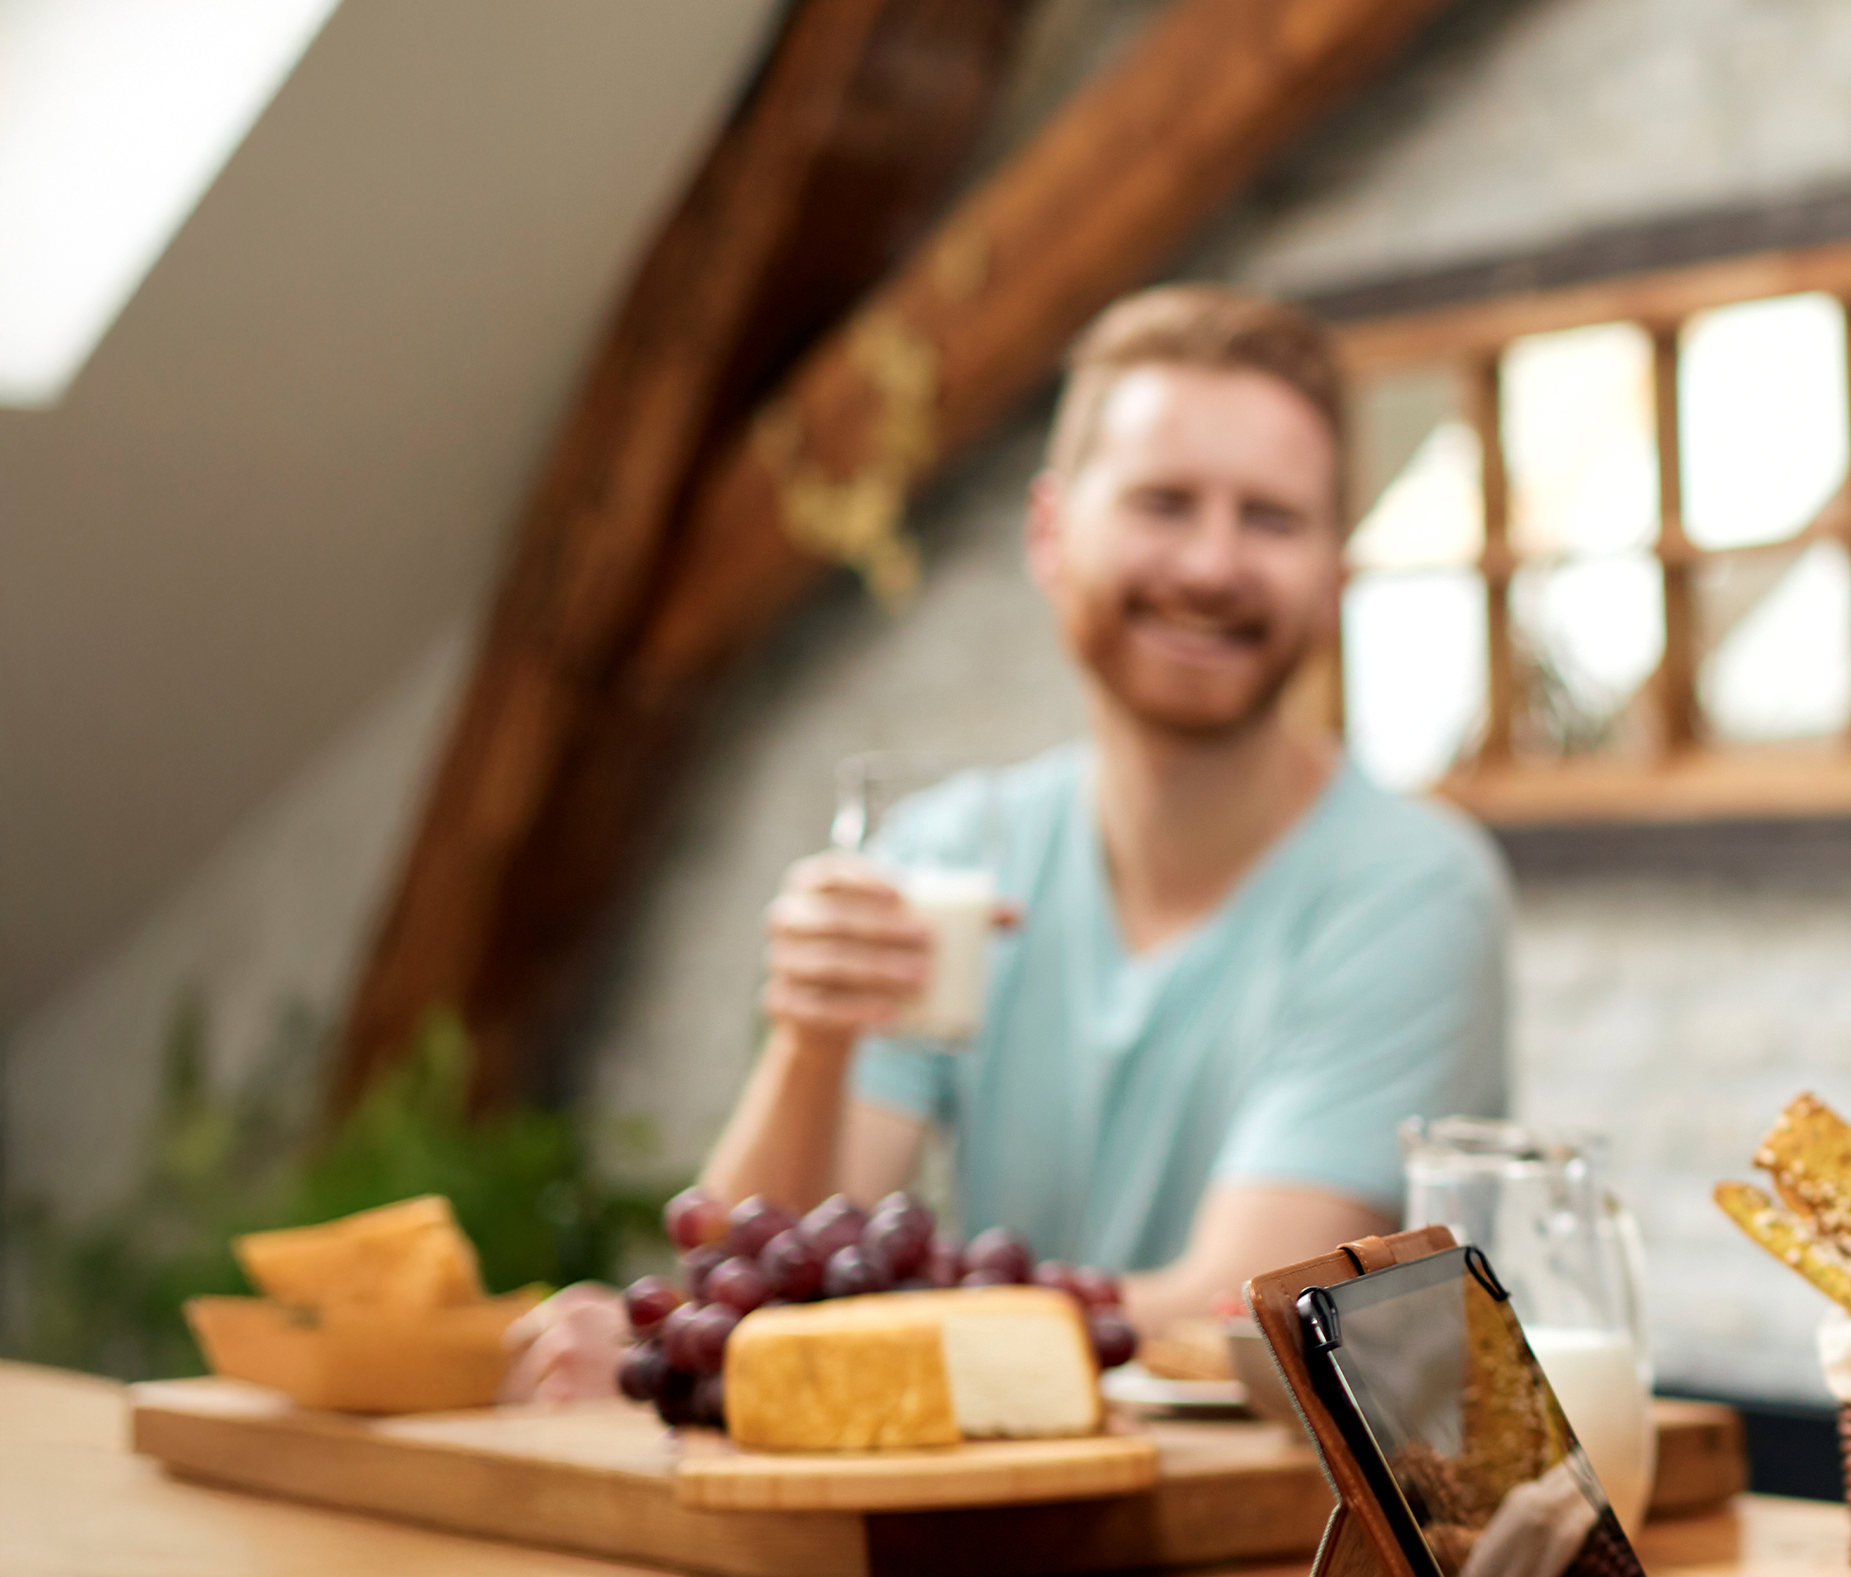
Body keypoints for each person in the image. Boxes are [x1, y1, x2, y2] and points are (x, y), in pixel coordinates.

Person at [518, 285, 1510, 1396]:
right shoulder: (951, 856)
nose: (1210, 565)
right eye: (1164, 502)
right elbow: (744, 1287)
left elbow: (1237, 1320)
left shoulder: (1413, 890)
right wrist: (811, 1036)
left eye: (1270, 519)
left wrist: (832, 1341)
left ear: (1335, 572)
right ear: (1050, 534)